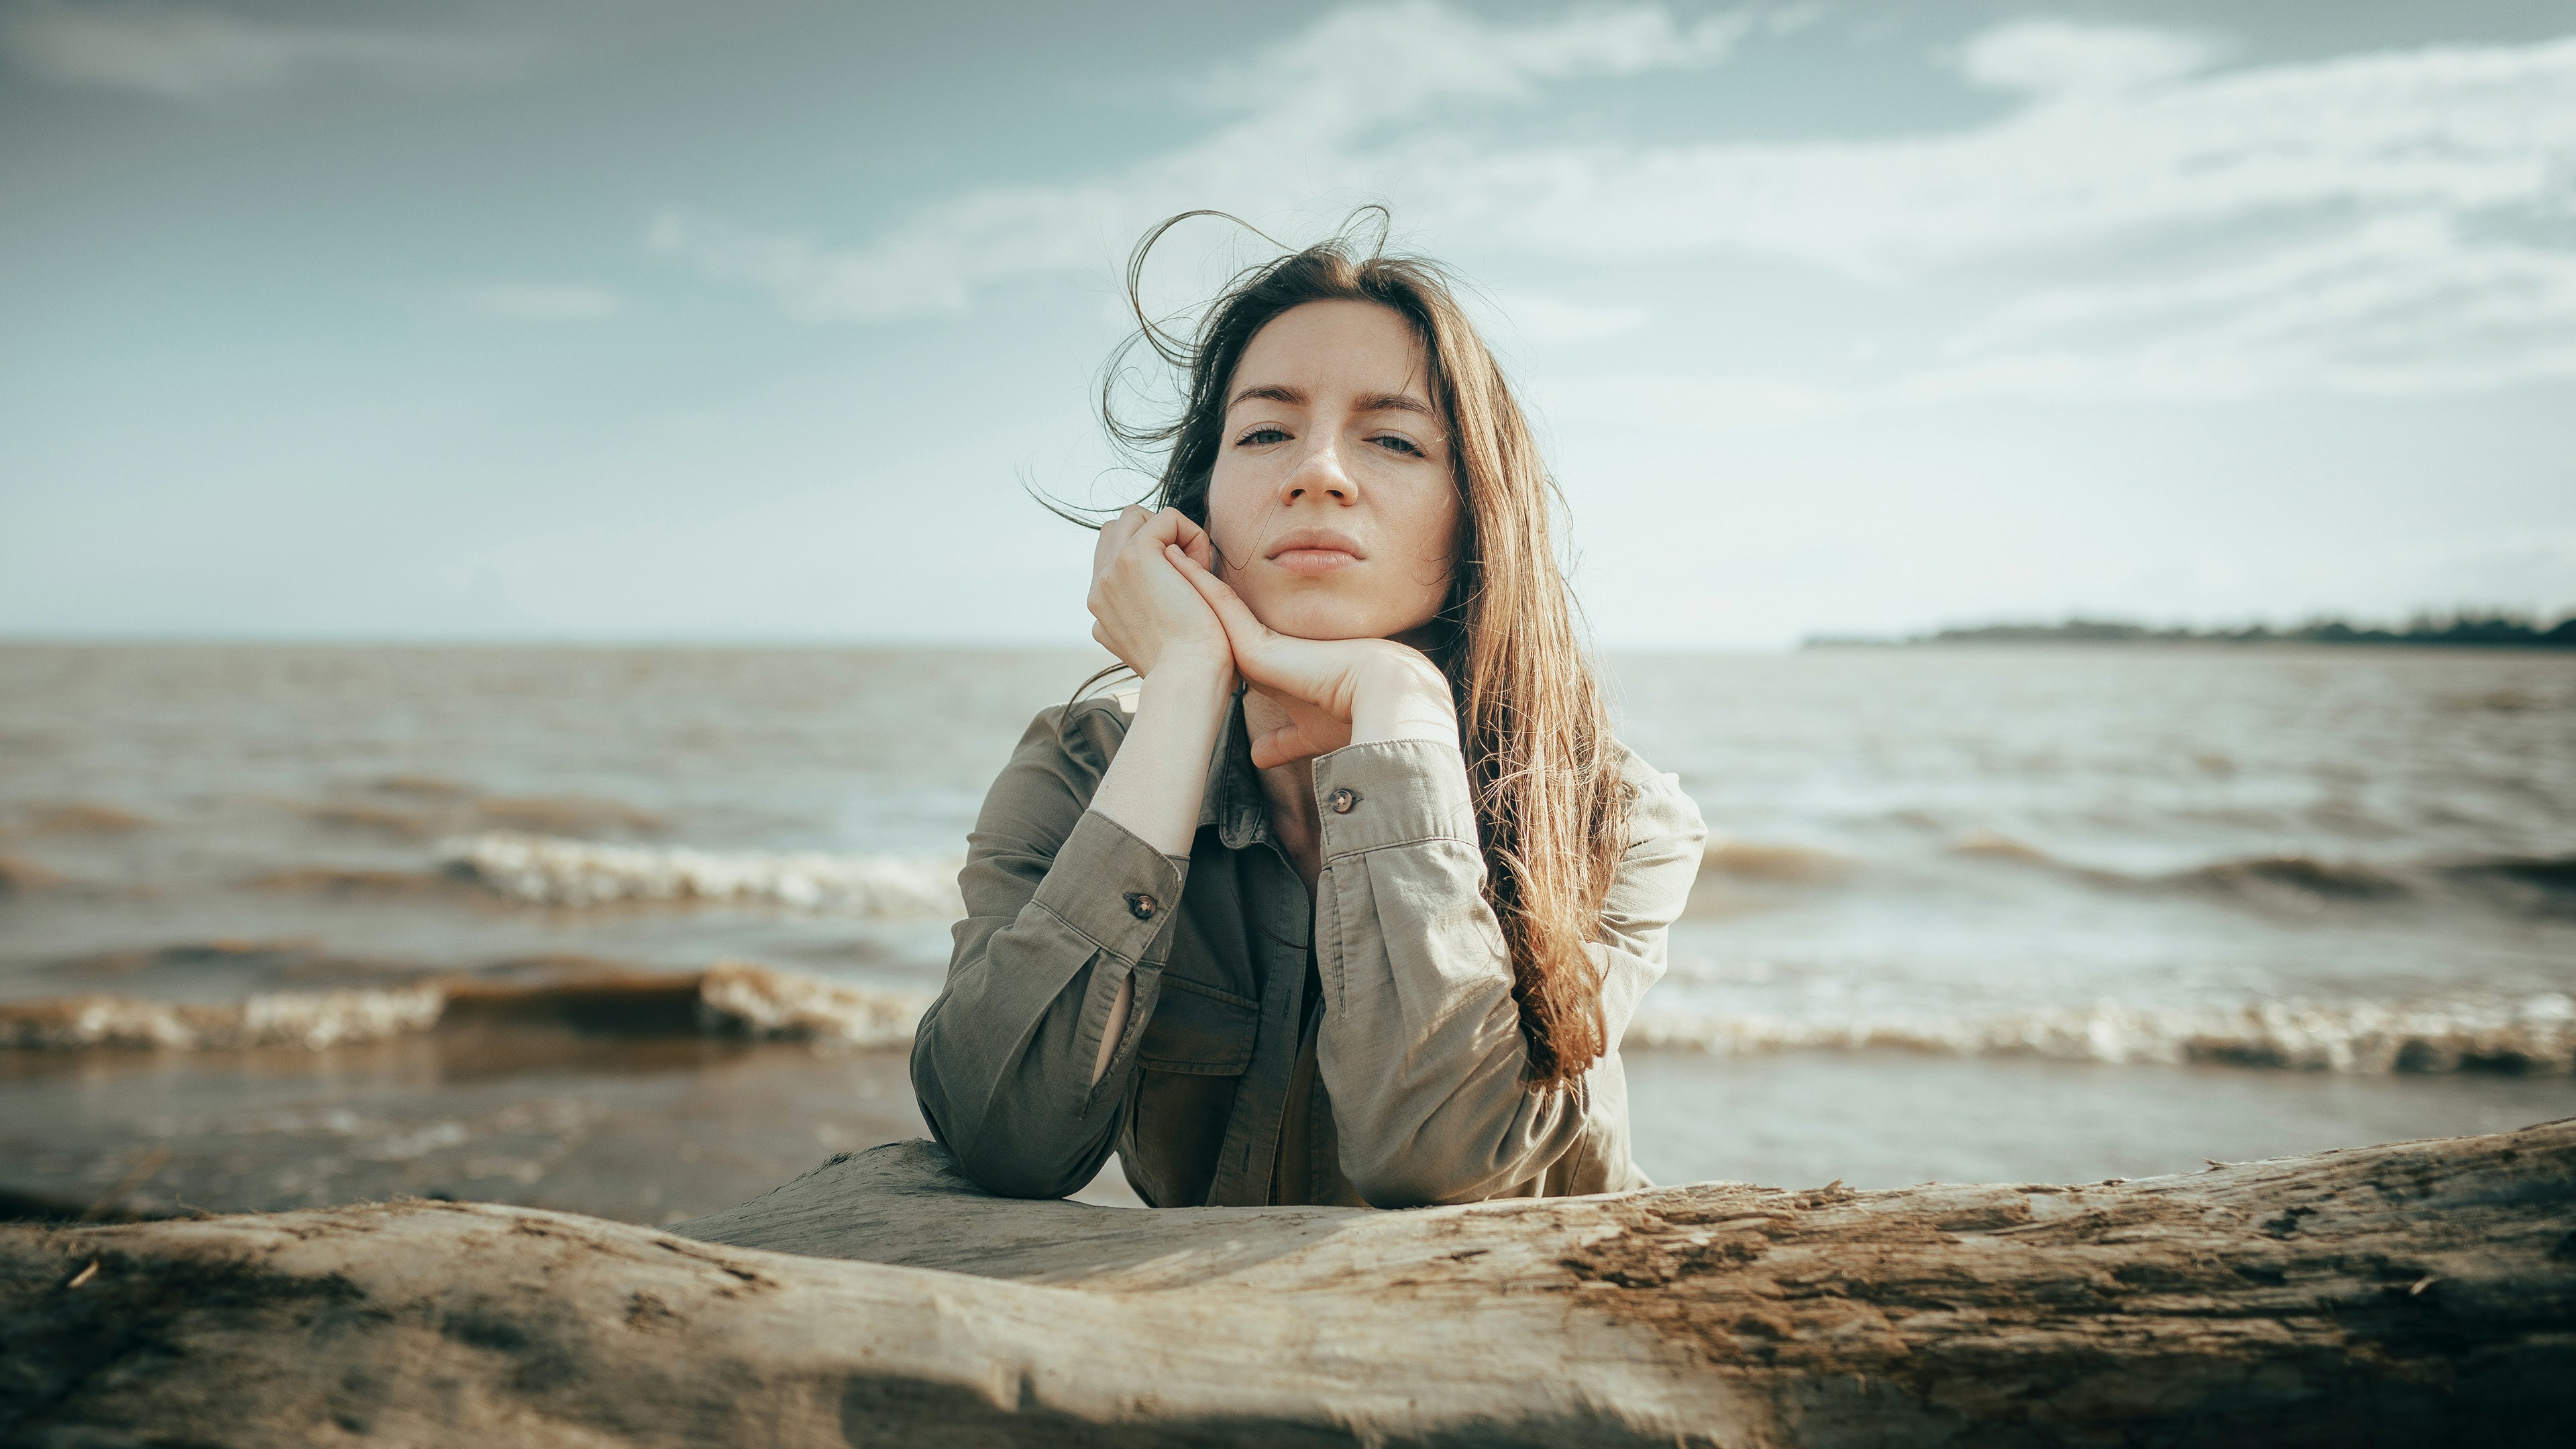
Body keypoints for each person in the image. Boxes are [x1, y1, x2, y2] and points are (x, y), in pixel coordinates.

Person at [910, 214, 1706, 1209]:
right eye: (1266, 431)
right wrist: (1187, 682)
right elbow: (1002, 1135)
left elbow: (1441, 1159)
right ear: (1201, 504)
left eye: (1393, 439)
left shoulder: (1614, 814)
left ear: (1476, 514)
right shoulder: (1081, 770)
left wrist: (1400, 714)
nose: (1319, 470)